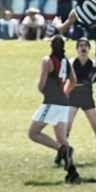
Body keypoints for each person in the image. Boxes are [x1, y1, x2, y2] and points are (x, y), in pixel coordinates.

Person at [28, 35, 79, 183]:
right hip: (64, 103)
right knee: (62, 138)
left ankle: (62, 150)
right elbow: (74, 81)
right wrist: (65, 93)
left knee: (33, 133)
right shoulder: (66, 61)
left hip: (51, 102)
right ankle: (72, 171)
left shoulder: (47, 60)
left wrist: (45, 92)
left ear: (51, 45)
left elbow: (42, 82)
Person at [65, 37, 96, 162]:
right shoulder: (71, 63)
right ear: (77, 48)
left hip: (87, 98)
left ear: (89, 49)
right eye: (81, 45)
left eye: (85, 46)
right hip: (72, 98)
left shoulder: (93, 65)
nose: (83, 48)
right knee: (66, 127)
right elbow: (65, 80)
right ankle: (61, 154)